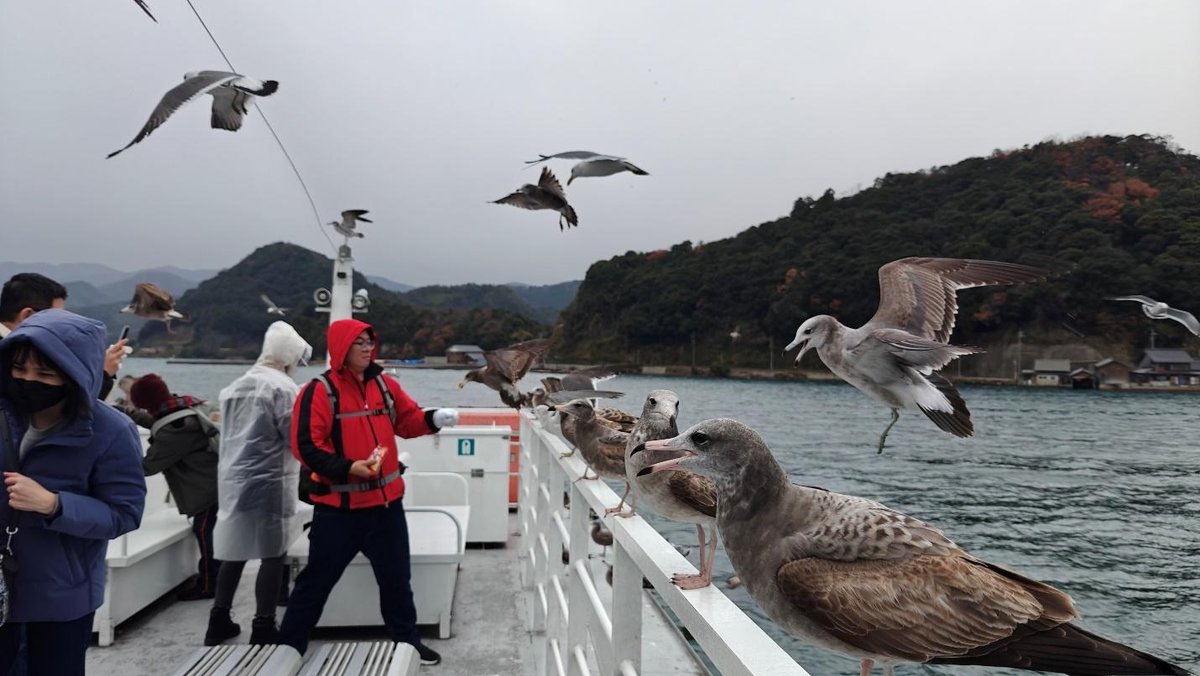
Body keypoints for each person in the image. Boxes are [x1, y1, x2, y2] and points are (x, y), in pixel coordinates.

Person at [278, 319, 459, 666]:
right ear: (341, 347)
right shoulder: (318, 391)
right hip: (339, 510)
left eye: (369, 341)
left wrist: (435, 418)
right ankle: (289, 646)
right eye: (358, 342)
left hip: (386, 506)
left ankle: (408, 643)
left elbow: (407, 421)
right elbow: (306, 446)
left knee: (396, 580)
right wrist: (348, 468)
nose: (367, 348)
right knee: (316, 580)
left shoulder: (385, 386)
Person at [0, 309, 146, 675]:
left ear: (75, 373)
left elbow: (124, 513)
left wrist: (54, 505)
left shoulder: (112, 431)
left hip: (60, 600)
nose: (28, 381)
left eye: (45, 373)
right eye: (19, 369)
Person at [205, 322, 312, 646]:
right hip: (271, 479)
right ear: (289, 356)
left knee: (233, 549)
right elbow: (293, 436)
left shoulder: (236, 385)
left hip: (232, 478)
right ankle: (263, 625)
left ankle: (218, 619)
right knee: (272, 552)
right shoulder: (283, 388)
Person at [132, 373, 221, 601]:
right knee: (210, 533)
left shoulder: (177, 429)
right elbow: (159, 422)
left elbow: (148, 466)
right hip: (218, 484)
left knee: (204, 534)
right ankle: (214, 581)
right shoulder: (186, 407)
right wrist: (126, 414)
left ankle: (209, 585)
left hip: (206, 490)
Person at [0, 273, 129, 399]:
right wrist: (102, 375)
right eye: (54, 317)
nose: (59, 325)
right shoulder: (8, 355)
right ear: (27, 316)